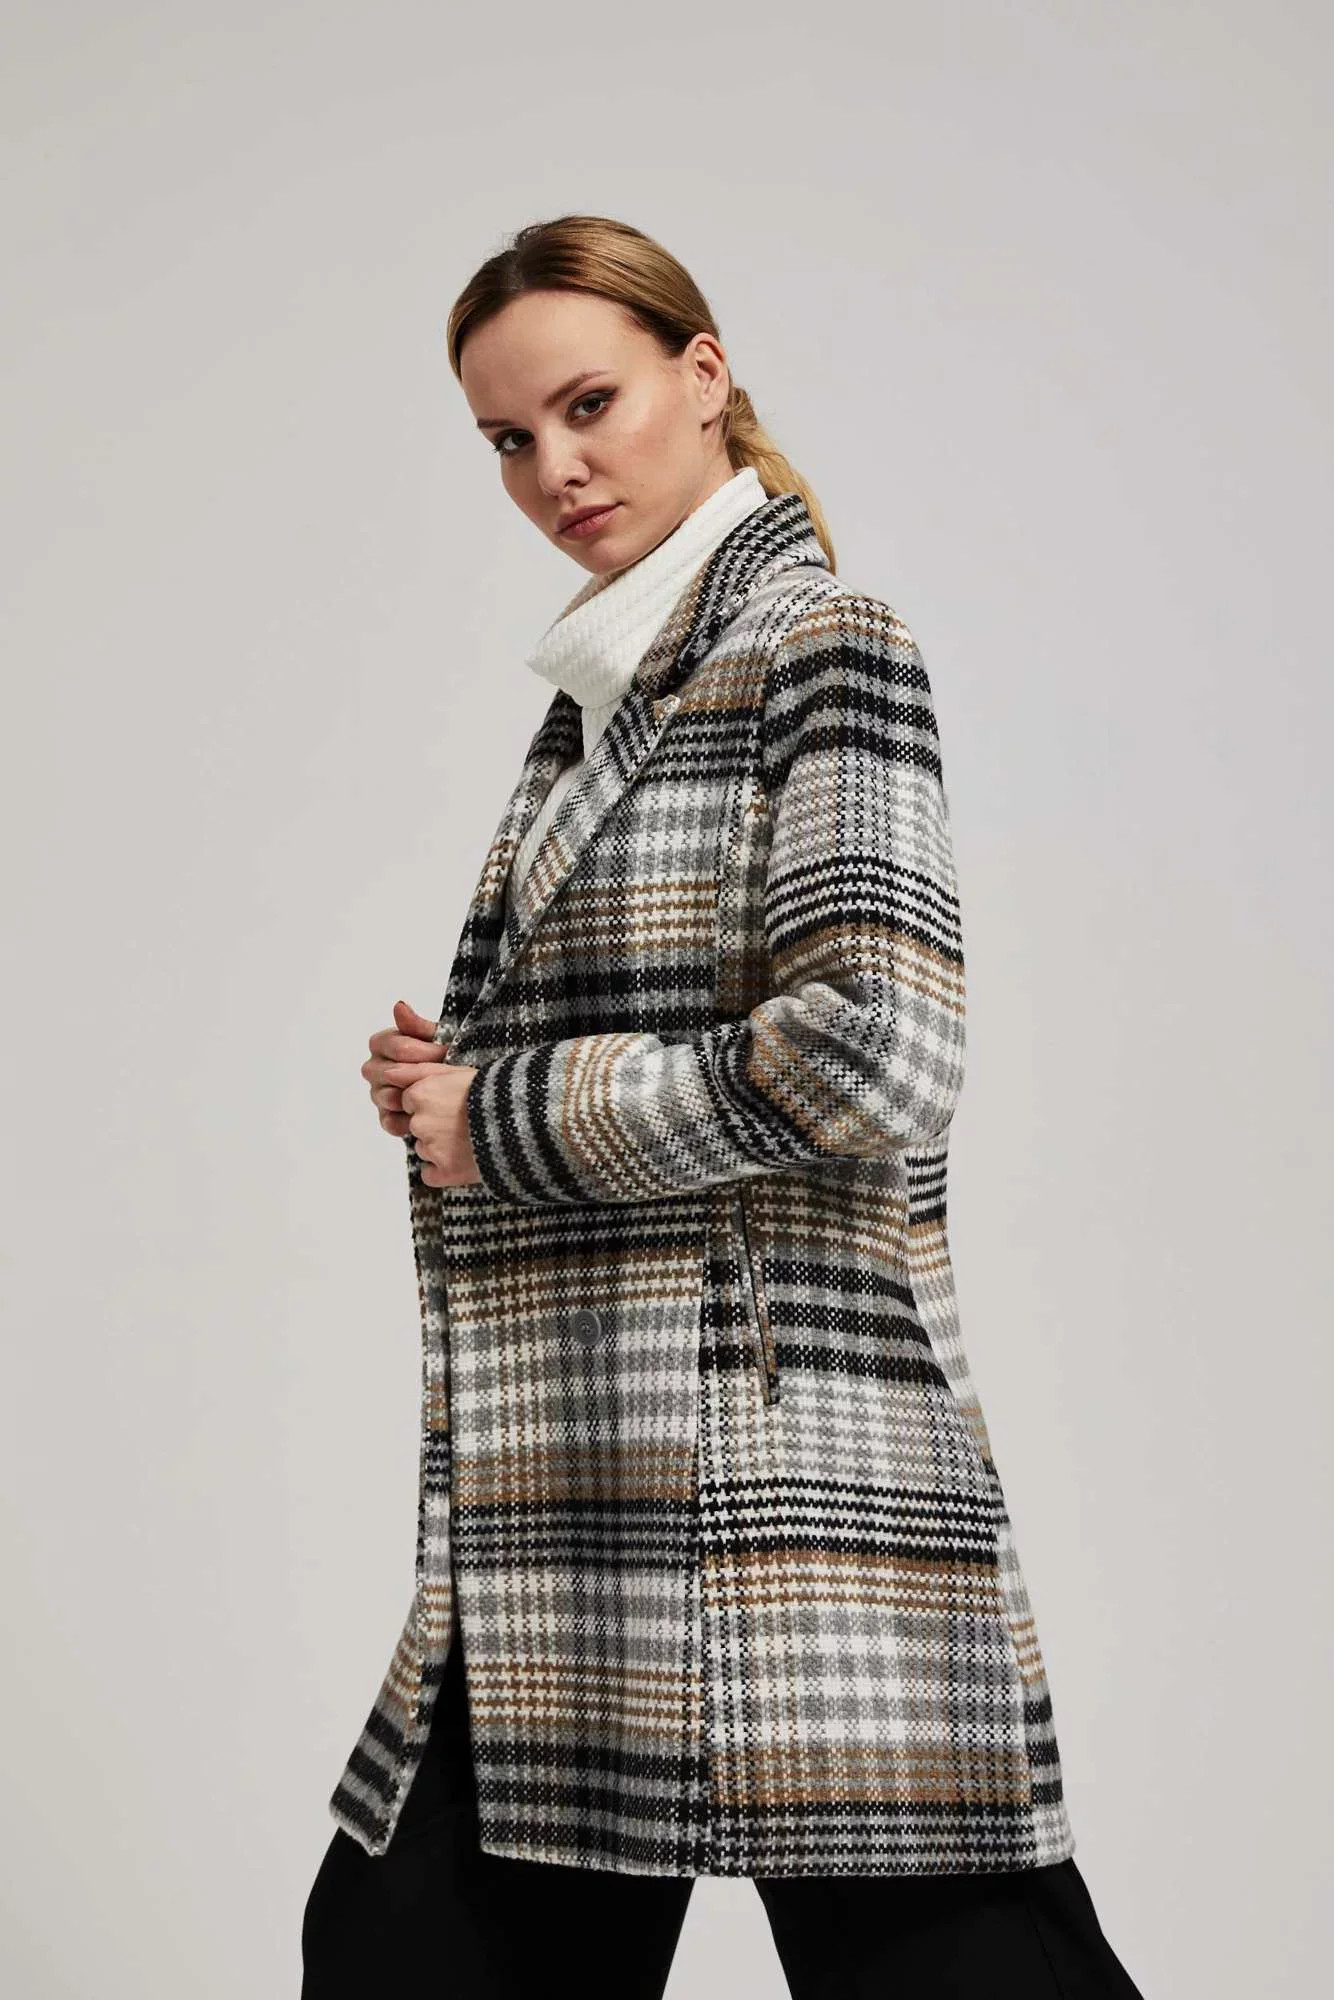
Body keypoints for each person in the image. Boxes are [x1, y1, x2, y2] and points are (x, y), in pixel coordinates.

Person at [301, 214, 1146, 1999]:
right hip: (577, 1492)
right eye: (506, 438)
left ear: (703, 375)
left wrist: (499, 1117)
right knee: (398, 1947)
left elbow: (874, 1049)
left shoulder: (820, 638)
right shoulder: (608, 690)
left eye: (586, 404)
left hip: (765, 1484)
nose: (552, 469)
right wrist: (451, 1089)